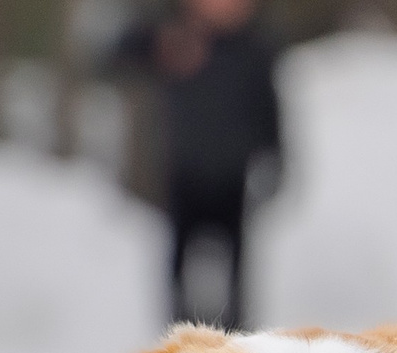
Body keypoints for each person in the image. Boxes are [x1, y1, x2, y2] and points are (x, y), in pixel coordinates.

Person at [111, 0, 282, 332]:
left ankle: (238, 342)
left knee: (237, 271)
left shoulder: (255, 49)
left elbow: (270, 110)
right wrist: (160, 44)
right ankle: (177, 341)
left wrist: (275, 159)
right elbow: (116, 56)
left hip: (234, 178)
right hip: (182, 173)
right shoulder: (174, 36)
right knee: (177, 266)